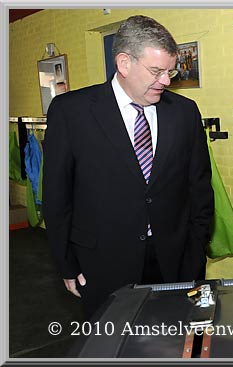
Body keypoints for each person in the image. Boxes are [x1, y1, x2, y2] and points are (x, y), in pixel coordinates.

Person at [42, 15, 214, 319]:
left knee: (173, 341)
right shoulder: (72, 112)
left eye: (170, 71)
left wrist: (195, 250)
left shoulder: (184, 112)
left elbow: (199, 187)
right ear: (124, 63)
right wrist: (66, 263)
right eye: (156, 71)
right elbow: (57, 196)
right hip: (102, 264)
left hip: (174, 262)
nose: (166, 81)